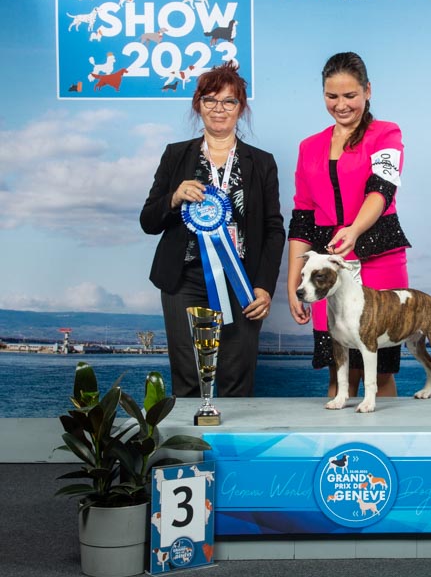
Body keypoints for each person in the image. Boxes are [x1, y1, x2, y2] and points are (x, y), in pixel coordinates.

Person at [140, 61, 285, 397]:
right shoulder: (176, 155)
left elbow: (274, 229)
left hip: (242, 282)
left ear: (241, 107)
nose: (219, 109)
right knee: (188, 379)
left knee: (237, 379)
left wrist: (264, 286)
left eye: (229, 101)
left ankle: (232, 436)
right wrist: (174, 197)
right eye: (210, 100)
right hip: (183, 280)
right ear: (198, 105)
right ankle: (190, 434)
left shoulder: (262, 162)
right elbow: (149, 221)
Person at [287, 52, 411, 397]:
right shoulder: (308, 147)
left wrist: (355, 230)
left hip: (380, 259)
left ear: (368, 91)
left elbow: (381, 190)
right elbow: (302, 216)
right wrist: (294, 280)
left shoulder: (386, 133)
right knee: (338, 373)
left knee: (380, 374)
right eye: (332, 96)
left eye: (350, 95)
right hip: (325, 269)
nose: (341, 105)